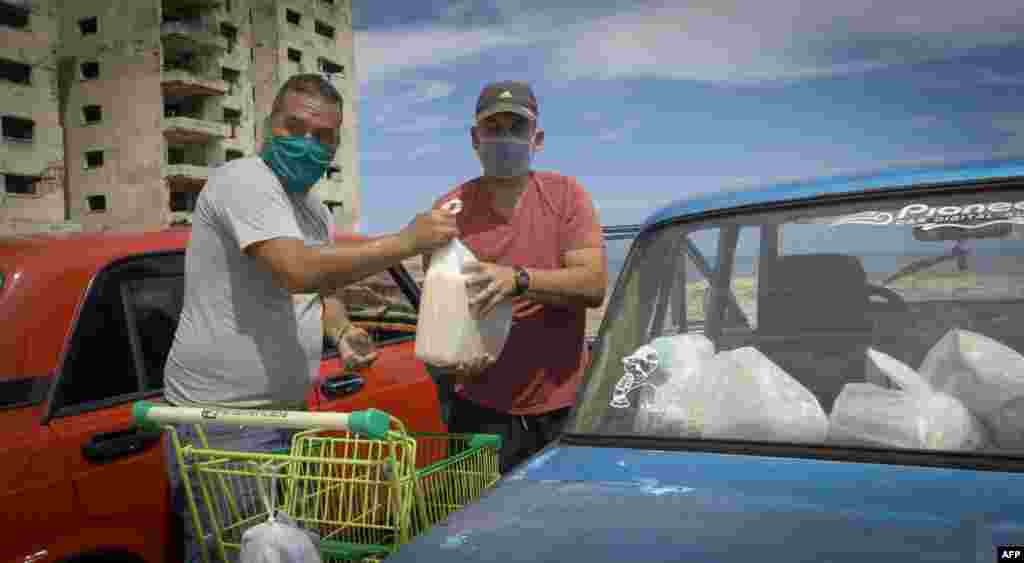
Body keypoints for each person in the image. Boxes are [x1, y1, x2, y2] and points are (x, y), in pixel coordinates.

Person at [162, 73, 457, 562]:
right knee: (236, 553)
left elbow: (322, 289)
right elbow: (296, 271)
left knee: (281, 550)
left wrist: (341, 332)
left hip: (286, 416)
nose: (306, 144)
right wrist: (406, 242)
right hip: (223, 420)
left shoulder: (314, 210)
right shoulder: (244, 180)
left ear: (335, 143)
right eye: (293, 127)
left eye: (322, 136)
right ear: (267, 126)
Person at [423, 80, 608, 474]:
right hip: (479, 411)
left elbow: (592, 284)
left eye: (516, 128)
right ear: (475, 138)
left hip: (562, 408)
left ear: (536, 138)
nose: (505, 138)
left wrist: (519, 279)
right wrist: (453, 357)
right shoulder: (449, 209)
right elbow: (441, 304)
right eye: (494, 128)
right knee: (476, 527)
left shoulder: (566, 195)